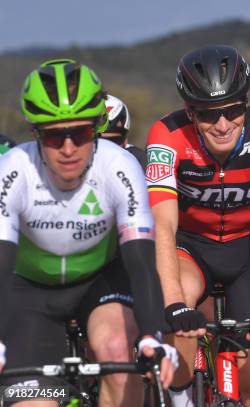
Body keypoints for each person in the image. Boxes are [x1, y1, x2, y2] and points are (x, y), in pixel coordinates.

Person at [0, 58, 177, 406]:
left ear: (95, 129)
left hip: (101, 281)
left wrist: (152, 336)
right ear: (36, 134)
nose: (68, 149)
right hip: (31, 292)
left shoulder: (120, 167)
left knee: (117, 353)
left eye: (80, 134)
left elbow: (141, 263)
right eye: (54, 136)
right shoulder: (13, 170)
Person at [146, 45, 250, 406]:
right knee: (177, 298)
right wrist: (173, 305)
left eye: (233, 111)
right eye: (207, 115)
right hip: (192, 248)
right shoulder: (165, 135)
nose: (222, 124)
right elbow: (163, 226)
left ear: (245, 102)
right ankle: (180, 395)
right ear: (190, 111)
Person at [102, 94, 147, 169]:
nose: (106, 148)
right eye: (98, 141)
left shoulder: (140, 163)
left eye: (113, 141)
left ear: (125, 140)